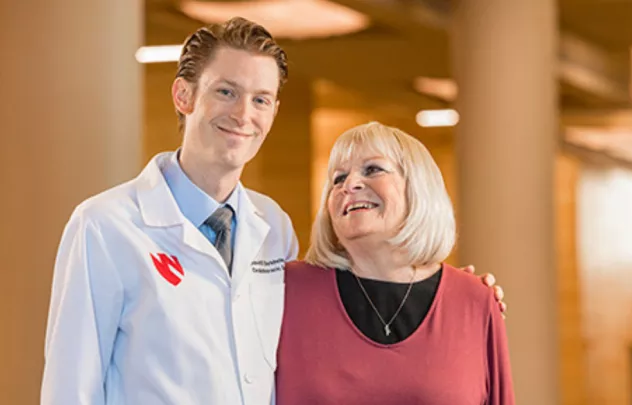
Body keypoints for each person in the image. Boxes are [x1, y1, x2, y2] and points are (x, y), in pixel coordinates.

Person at [40, 17, 506, 405]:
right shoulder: (105, 227)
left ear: (274, 111)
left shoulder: (273, 228)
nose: (244, 114)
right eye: (226, 92)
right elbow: (70, 390)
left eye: (260, 99)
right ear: (184, 96)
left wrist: (452, 295)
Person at [276, 122, 515, 405]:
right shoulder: (286, 289)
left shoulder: (474, 299)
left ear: (417, 188)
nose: (349, 185)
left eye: (372, 169)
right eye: (338, 178)